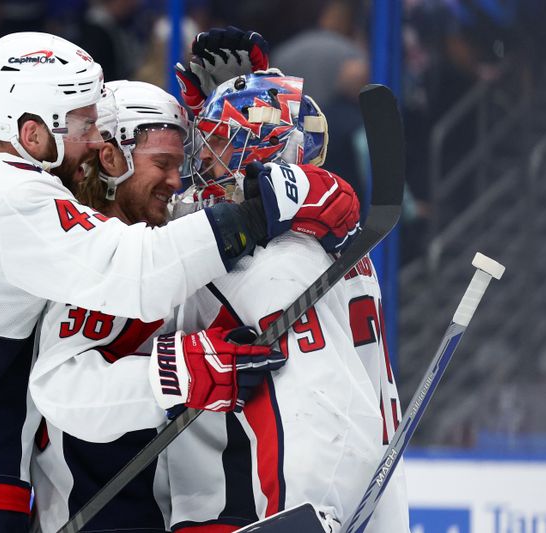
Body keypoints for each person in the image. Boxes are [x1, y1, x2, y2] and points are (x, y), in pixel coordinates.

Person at [0, 32, 358, 532]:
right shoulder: (24, 207)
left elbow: (164, 217)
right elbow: (138, 269)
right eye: (82, 127)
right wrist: (263, 209)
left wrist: (231, 116)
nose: (92, 137)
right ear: (32, 133)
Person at [29, 78, 360, 532]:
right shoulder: (96, 255)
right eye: (162, 163)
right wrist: (178, 370)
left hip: (152, 511)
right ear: (112, 159)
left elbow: (224, 197)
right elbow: (59, 388)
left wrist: (249, 97)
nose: (177, 179)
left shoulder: (156, 235)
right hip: (88, 515)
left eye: (180, 163)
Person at [163, 31, 410, 532]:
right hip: (357, 497)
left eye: (218, 142)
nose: (200, 163)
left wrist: (304, 515)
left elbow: (318, 411)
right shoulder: (319, 241)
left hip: (282, 507)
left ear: (263, 153)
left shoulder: (275, 262)